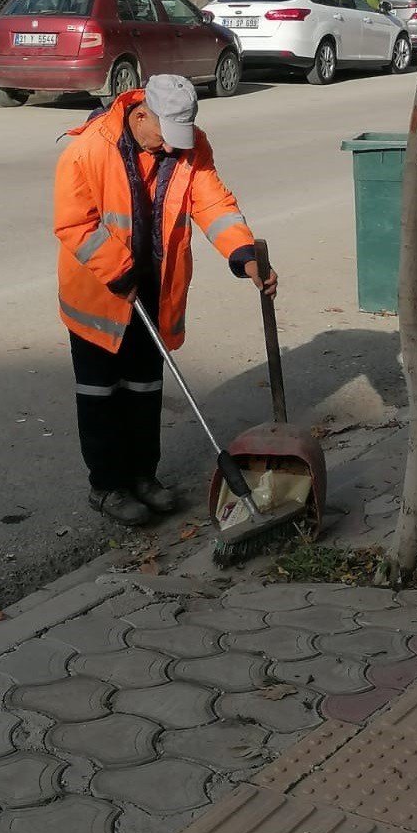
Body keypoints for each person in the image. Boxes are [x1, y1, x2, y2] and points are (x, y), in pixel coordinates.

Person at [53, 74, 278, 526]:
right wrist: (119, 272)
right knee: (100, 396)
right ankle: (107, 487)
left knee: (145, 389)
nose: (172, 149)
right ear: (140, 116)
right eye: (163, 138)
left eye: (179, 139)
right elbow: (74, 223)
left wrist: (244, 254)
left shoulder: (191, 146)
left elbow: (213, 203)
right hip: (100, 296)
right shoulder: (88, 149)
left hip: (154, 290)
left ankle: (143, 477)